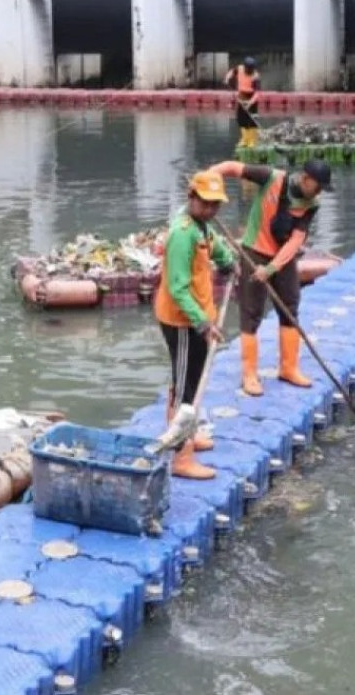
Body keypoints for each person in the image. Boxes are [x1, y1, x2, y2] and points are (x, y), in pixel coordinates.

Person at [207, 158, 331, 397]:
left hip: (282, 259)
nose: (320, 192)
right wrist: (211, 176)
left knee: (290, 307)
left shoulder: (312, 204)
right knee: (251, 312)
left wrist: (272, 268)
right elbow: (234, 168)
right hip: (254, 251)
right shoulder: (271, 177)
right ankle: (250, 374)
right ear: (306, 179)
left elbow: (296, 240)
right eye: (318, 186)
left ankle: (288, 368)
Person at [154, 171, 237, 479]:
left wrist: (229, 261)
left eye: (216, 205)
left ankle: (187, 436)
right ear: (192, 198)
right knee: (188, 388)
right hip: (183, 321)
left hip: (196, 316)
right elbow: (177, 287)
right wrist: (202, 323)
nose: (212, 210)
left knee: (189, 377)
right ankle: (181, 458)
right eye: (206, 204)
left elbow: (213, 247)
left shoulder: (201, 226)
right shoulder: (182, 233)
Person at [224, 56, 261, 149]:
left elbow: (257, 93)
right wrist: (227, 78)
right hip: (241, 96)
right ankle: (245, 139)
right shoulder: (239, 69)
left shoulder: (255, 77)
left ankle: (252, 141)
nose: (249, 70)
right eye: (247, 68)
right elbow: (232, 72)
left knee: (252, 120)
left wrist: (250, 103)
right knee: (241, 119)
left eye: (250, 69)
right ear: (245, 67)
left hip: (251, 97)